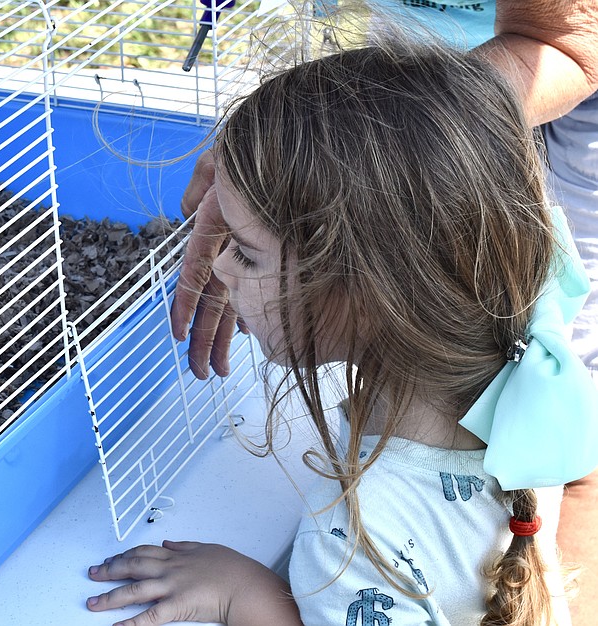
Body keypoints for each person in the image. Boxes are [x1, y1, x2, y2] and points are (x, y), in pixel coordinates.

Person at [85, 41, 598, 625]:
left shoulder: (354, 541)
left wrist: (245, 595)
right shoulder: (526, 352)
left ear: (369, 297)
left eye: (248, 256)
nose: (220, 268)